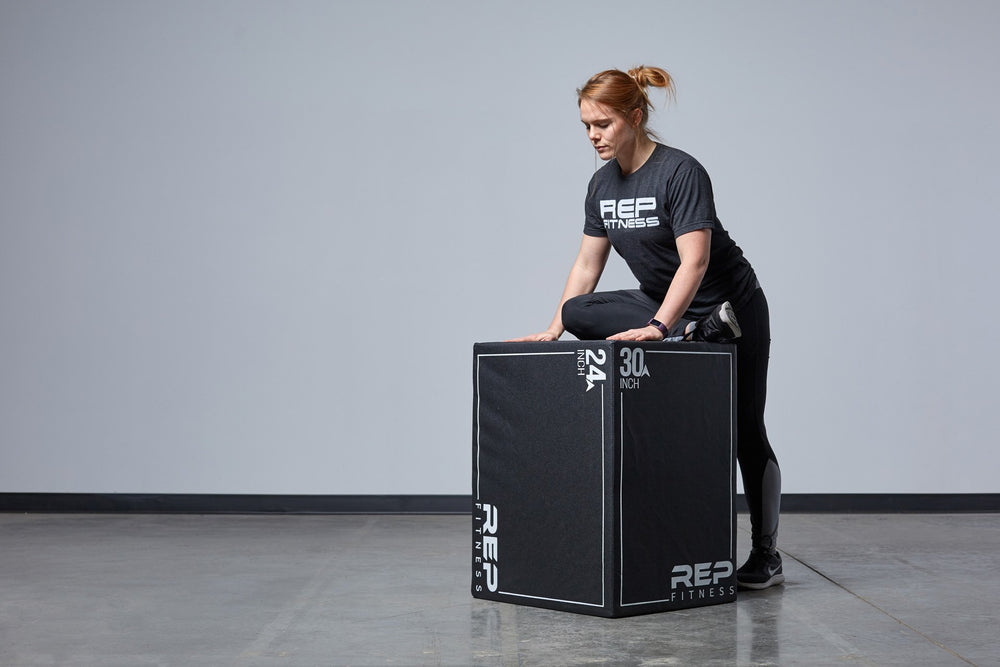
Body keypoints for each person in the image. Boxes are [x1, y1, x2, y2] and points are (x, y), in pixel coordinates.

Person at [510, 66, 783, 589]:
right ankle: (693, 336)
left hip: (732, 308)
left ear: (635, 117)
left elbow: (695, 263)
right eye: (586, 125)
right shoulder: (601, 185)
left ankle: (766, 555)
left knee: (745, 430)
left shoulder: (680, 171)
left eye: (603, 123)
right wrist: (554, 329)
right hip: (671, 313)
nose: (593, 135)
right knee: (578, 311)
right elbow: (587, 266)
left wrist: (659, 326)